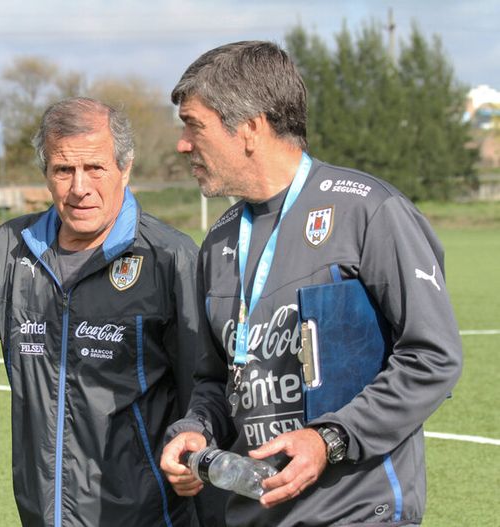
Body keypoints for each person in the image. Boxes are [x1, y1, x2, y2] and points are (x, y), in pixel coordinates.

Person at [159, 41, 462, 526]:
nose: (183, 143)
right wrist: (197, 428)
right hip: (256, 513)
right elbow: (217, 379)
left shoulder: (367, 211)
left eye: (194, 124)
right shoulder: (218, 241)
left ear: (251, 128)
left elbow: (433, 357)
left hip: (357, 512)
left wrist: (330, 439)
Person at [0, 97, 206, 527]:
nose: (79, 187)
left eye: (95, 168)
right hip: (42, 512)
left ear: (124, 169)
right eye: (63, 170)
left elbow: (204, 382)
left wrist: (198, 442)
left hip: (145, 515)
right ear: (46, 175)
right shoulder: (11, 248)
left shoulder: (168, 257)